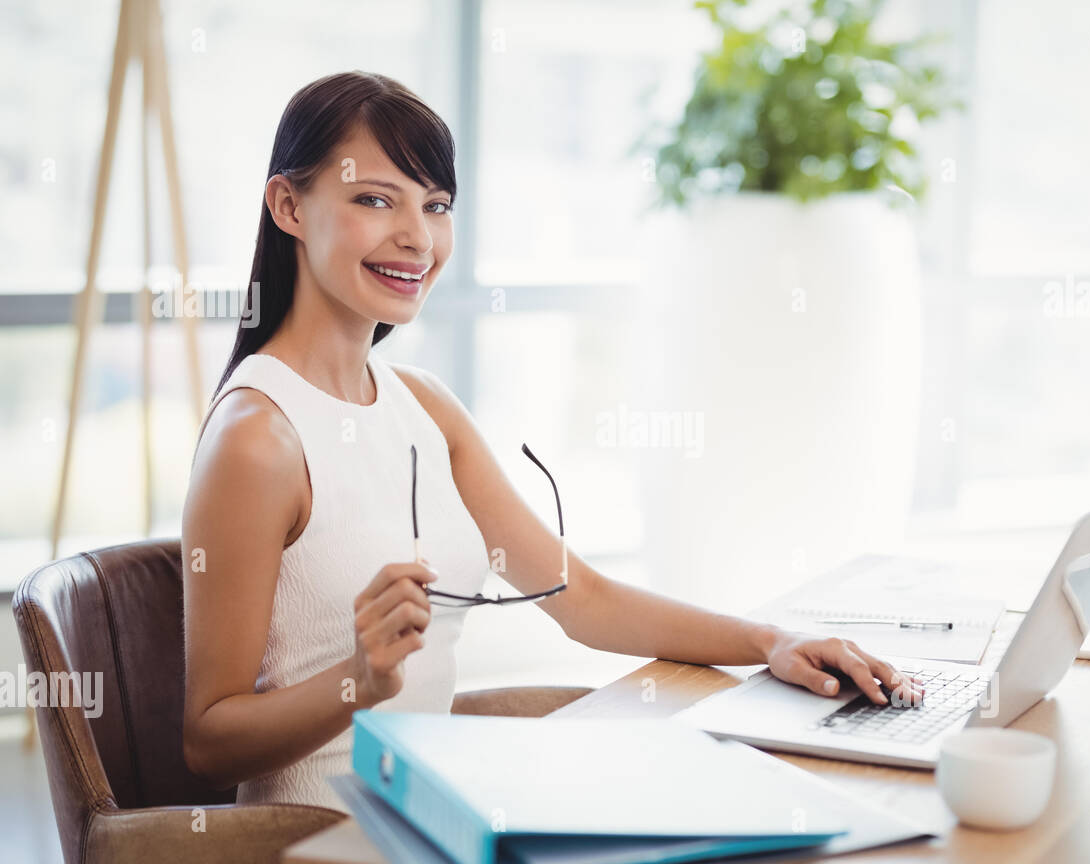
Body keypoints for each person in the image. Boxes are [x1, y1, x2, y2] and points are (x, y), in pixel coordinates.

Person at [181, 70, 923, 814]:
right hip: (319, 844)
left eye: (436, 206)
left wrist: (770, 640)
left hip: (434, 819)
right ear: (289, 206)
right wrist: (359, 681)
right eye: (375, 199)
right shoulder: (258, 439)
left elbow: (582, 600)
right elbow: (209, 744)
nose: (417, 236)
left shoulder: (425, 407)